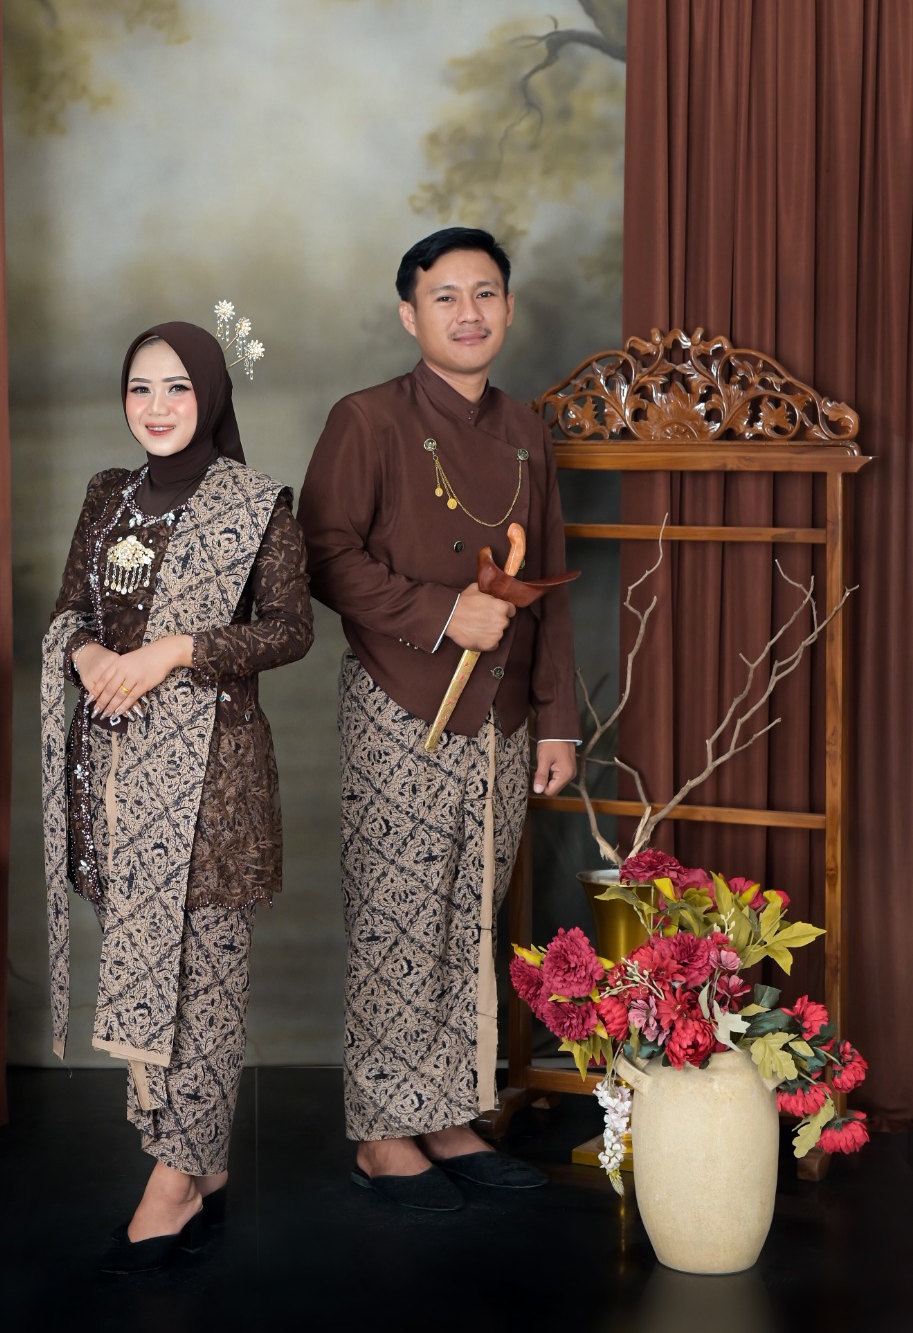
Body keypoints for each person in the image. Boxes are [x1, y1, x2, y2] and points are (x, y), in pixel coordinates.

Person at [298, 227, 579, 1211]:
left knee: (468, 918)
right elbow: (321, 555)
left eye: (485, 293)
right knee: (397, 919)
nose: (469, 313)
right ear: (408, 314)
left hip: (501, 716)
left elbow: (549, 583)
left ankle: (451, 1115)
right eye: (445, 296)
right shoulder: (367, 418)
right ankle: (384, 1134)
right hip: (401, 703)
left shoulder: (526, 430)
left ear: (508, 307)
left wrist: (556, 720)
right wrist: (438, 612)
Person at [41, 320, 313, 1271]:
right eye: (140, 389)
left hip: (216, 783)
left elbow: (290, 629)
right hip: (118, 777)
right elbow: (71, 610)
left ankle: (176, 1174)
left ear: (211, 395)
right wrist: (86, 654)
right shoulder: (107, 495)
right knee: (151, 961)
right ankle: (195, 1157)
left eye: (177, 388)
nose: (156, 407)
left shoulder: (255, 503)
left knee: (208, 976)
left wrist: (176, 651)